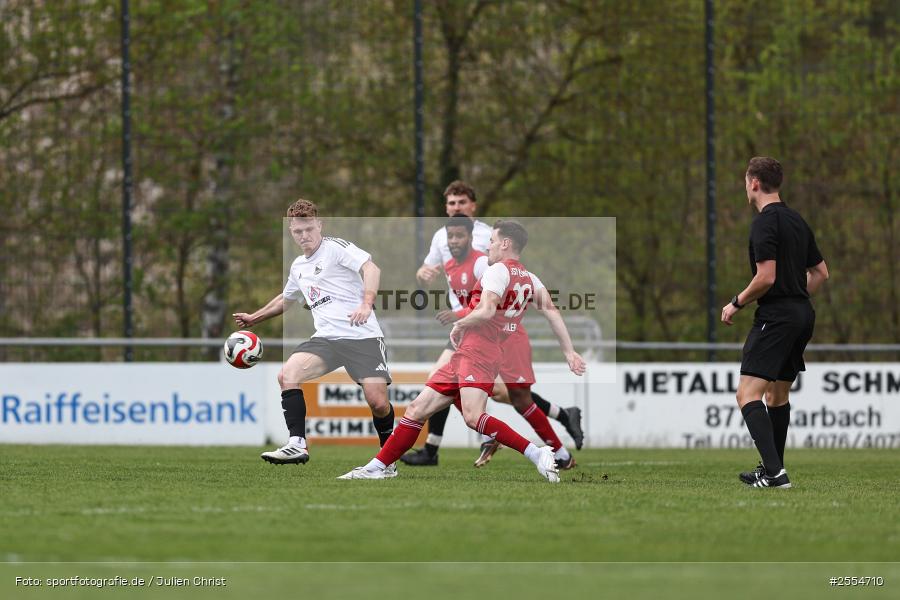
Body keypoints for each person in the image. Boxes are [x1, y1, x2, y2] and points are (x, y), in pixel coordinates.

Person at [339, 220, 586, 482]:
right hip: (472, 351)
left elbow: (487, 310)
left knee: (473, 416)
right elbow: (552, 312)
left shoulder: (496, 271)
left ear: (505, 243)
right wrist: (569, 352)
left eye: (491, 241)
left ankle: (537, 454)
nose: (488, 245)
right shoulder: (530, 278)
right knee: (417, 409)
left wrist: (460, 322)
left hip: (479, 352)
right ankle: (380, 466)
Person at [402, 182, 584, 467]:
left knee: (515, 396)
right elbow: (429, 271)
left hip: (487, 329)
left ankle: (554, 441)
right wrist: (423, 275)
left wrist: (462, 318)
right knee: (454, 383)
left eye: (462, 203)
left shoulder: (491, 252)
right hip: (471, 327)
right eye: (451, 203)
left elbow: (494, 300)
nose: (456, 209)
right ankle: (436, 447)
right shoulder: (442, 239)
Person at [233, 199, 396, 472]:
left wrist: (366, 303)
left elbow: (371, 268)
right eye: (298, 231)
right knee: (287, 375)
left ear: (319, 225)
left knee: (378, 402)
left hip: (362, 336)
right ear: (291, 232)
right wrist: (254, 318)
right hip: (327, 339)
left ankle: (388, 460)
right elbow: (285, 300)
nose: (304, 235)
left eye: (309, 229)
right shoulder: (298, 266)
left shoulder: (335, 248)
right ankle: (297, 443)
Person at [721, 157, 829, 488]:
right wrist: (796, 298)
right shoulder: (797, 221)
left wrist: (736, 303)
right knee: (777, 396)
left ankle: (774, 473)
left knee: (747, 394)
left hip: (778, 316)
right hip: (802, 314)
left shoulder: (765, 223)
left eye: (745, 181)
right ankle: (773, 467)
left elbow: (766, 277)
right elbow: (821, 273)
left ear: (754, 183)